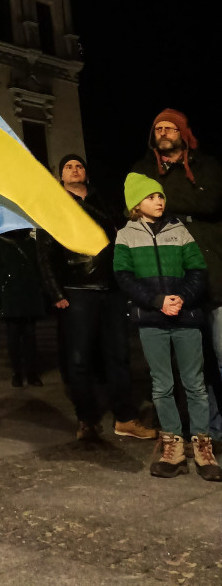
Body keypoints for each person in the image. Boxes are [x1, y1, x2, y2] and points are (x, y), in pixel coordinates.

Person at [37, 154, 156, 441]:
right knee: (79, 359)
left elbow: (121, 234)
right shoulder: (53, 207)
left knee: (118, 355)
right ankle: (86, 418)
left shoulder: (103, 202)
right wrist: (55, 292)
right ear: (61, 177)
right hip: (77, 291)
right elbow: (44, 255)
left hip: (111, 288)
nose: (75, 170)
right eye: (68, 167)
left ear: (85, 173)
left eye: (79, 166)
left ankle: (125, 417)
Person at [114, 173, 221, 481]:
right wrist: (157, 300)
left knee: (195, 383)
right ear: (136, 204)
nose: (159, 201)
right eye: (151, 197)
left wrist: (181, 299)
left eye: (160, 196)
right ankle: (172, 446)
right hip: (152, 321)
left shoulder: (179, 230)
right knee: (162, 385)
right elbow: (124, 277)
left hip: (185, 317)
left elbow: (198, 271)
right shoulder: (126, 235)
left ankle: (202, 447)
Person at [132, 109, 222, 442]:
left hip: (214, 273)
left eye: (171, 127)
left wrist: (161, 196)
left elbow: (210, 200)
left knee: (221, 355)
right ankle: (203, 430)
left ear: (183, 133)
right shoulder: (143, 168)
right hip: (171, 276)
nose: (164, 132)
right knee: (189, 364)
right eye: (158, 128)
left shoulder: (206, 166)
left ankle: (216, 426)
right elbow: (132, 200)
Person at [0, 229, 45, 387]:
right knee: (13, 336)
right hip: (10, 297)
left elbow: (39, 268)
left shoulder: (30, 243)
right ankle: (17, 372)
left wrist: (41, 290)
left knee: (30, 336)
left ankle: (31, 372)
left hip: (29, 295)